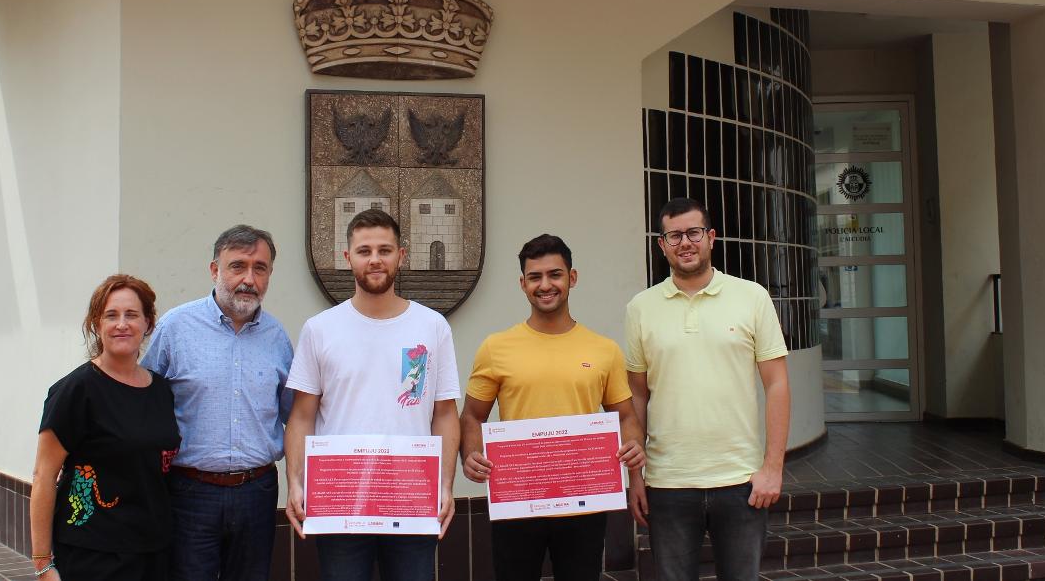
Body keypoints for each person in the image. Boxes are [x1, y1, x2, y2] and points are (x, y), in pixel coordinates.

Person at [284, 208, 460, 581]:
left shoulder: (433, 327)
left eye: (385, 249)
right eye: (364, 251)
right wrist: (295, 482)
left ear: (401, 255)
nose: (375, 259)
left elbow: (444, 413)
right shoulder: (320, 330)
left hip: (412, 495)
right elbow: (302, 415)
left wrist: (445, 484)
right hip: (340, 499)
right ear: (348, 258)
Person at [460, 234, 646, 581]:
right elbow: (472, 415)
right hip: (517, 503)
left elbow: (625, 416)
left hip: (583, 501)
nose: (546, 285)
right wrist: (470, 453)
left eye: (555, 275)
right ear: (523, 284)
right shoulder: (495, 347)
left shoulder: (604, 349)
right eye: (535, 277)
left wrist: (634, 449)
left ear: (571, 278)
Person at [625, 197, 790, 581]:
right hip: (667, 483)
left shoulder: (752, 297)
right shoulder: (640, 308)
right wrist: (635, 477)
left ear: (711, 237)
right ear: (661, 244)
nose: (685, 242)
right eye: (674, 235)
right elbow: (637, 396)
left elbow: (777, 383)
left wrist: (773, 468)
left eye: (694, 232)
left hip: (741, 480)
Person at [140, 224, 295, 580]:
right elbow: (145, 403)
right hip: (189, 493)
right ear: (215, 270)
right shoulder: (175, 328)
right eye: (237, 266)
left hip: (257, 491)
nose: (249, 279)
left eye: (260, 268)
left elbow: (294, 414)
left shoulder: (277, 337)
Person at [29, 274, 181, 580]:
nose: (121, 324)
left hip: (154, 551)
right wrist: (43, 564)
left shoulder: (161, 389)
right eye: (111, 315)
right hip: (94, 554)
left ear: (149, 324)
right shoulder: (76, 390)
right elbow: (43, 476)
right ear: (97, 324)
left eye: (132, 315)